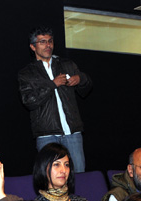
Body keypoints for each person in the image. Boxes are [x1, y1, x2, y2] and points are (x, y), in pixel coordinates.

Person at [18, 26, 92, 173]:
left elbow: (86, 89)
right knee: (50, 176)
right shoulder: (27, 73)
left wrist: (81, 79)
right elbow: (29, 101)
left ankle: (78, 197)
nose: (48, 45)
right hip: (46, 134)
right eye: (43, 42)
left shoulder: (66, 64)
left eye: (50, 41)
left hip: (72, 132)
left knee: (79, 174)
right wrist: (52, 84)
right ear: (33, 47)